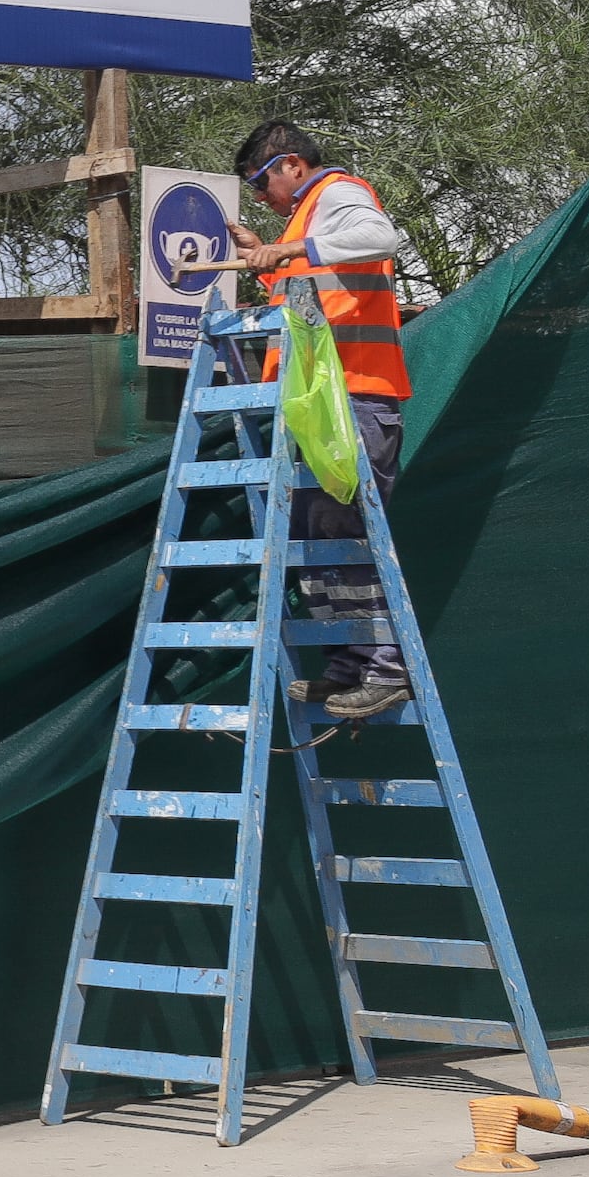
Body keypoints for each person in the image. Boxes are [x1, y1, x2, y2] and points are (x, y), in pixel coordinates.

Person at [237, 116, 416, 722]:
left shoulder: (338, 194)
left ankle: (387, 669)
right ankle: (348, 667)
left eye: (261, 183)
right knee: (320, 541)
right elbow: (319, 290)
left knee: (348, 535)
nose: (261, 198)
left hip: (354, 398)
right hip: (321, 405)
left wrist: (286, 248)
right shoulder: (305, 220)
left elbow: (380, 238)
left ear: (290, 164)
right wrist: (266, 263)